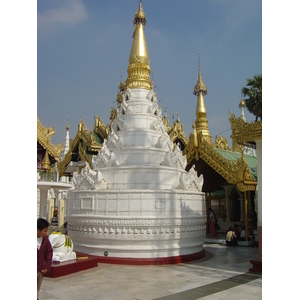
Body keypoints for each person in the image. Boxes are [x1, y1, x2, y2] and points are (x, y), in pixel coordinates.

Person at [37, 218, 53, 300]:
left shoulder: (45, 240)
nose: (46, 233)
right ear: (37, 231)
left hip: (39, 271)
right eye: (45, 231)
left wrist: (47, 266)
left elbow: (49, 252)